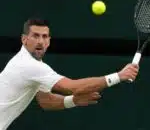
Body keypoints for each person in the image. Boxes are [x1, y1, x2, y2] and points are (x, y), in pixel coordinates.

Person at [0, 18, 139, 130]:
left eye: (44, 36)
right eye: (35, 36)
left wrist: (73, 100)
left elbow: (46, 101)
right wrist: (119, 76)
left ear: (49, 41)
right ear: (24, 39)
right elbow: (73, 87)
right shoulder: (29, 65)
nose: (40, 41)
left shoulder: (31, 65)